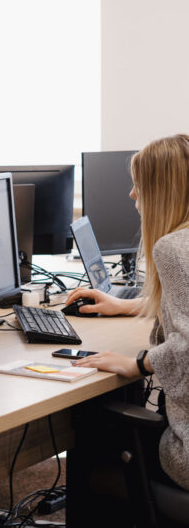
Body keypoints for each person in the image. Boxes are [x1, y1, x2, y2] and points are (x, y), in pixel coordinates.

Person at [66, 133, 189, 491]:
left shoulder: (173, 248)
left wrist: (138, 364)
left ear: (163, 191)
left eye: (139, 186)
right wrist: (127, 305)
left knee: (94, 432)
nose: (132, 195)